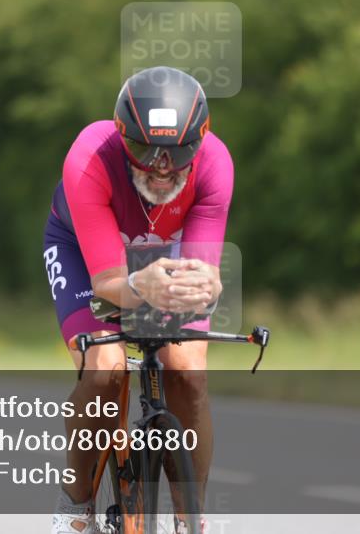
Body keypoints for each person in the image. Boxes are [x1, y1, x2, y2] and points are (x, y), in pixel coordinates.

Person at [45, 67, 233, 533]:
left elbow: (205, 270)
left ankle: (192, 516)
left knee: (186, 372)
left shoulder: (215, 163)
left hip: (164, 250)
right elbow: (109, 281)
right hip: (85, 252)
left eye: (178, 152)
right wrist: (138, 287)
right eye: (144, 150)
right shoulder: (89, 156)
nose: (161, 167)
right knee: (104, 369)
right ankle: (76, 507)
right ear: (121, 134)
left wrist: (207, 286)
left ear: (200, 140)